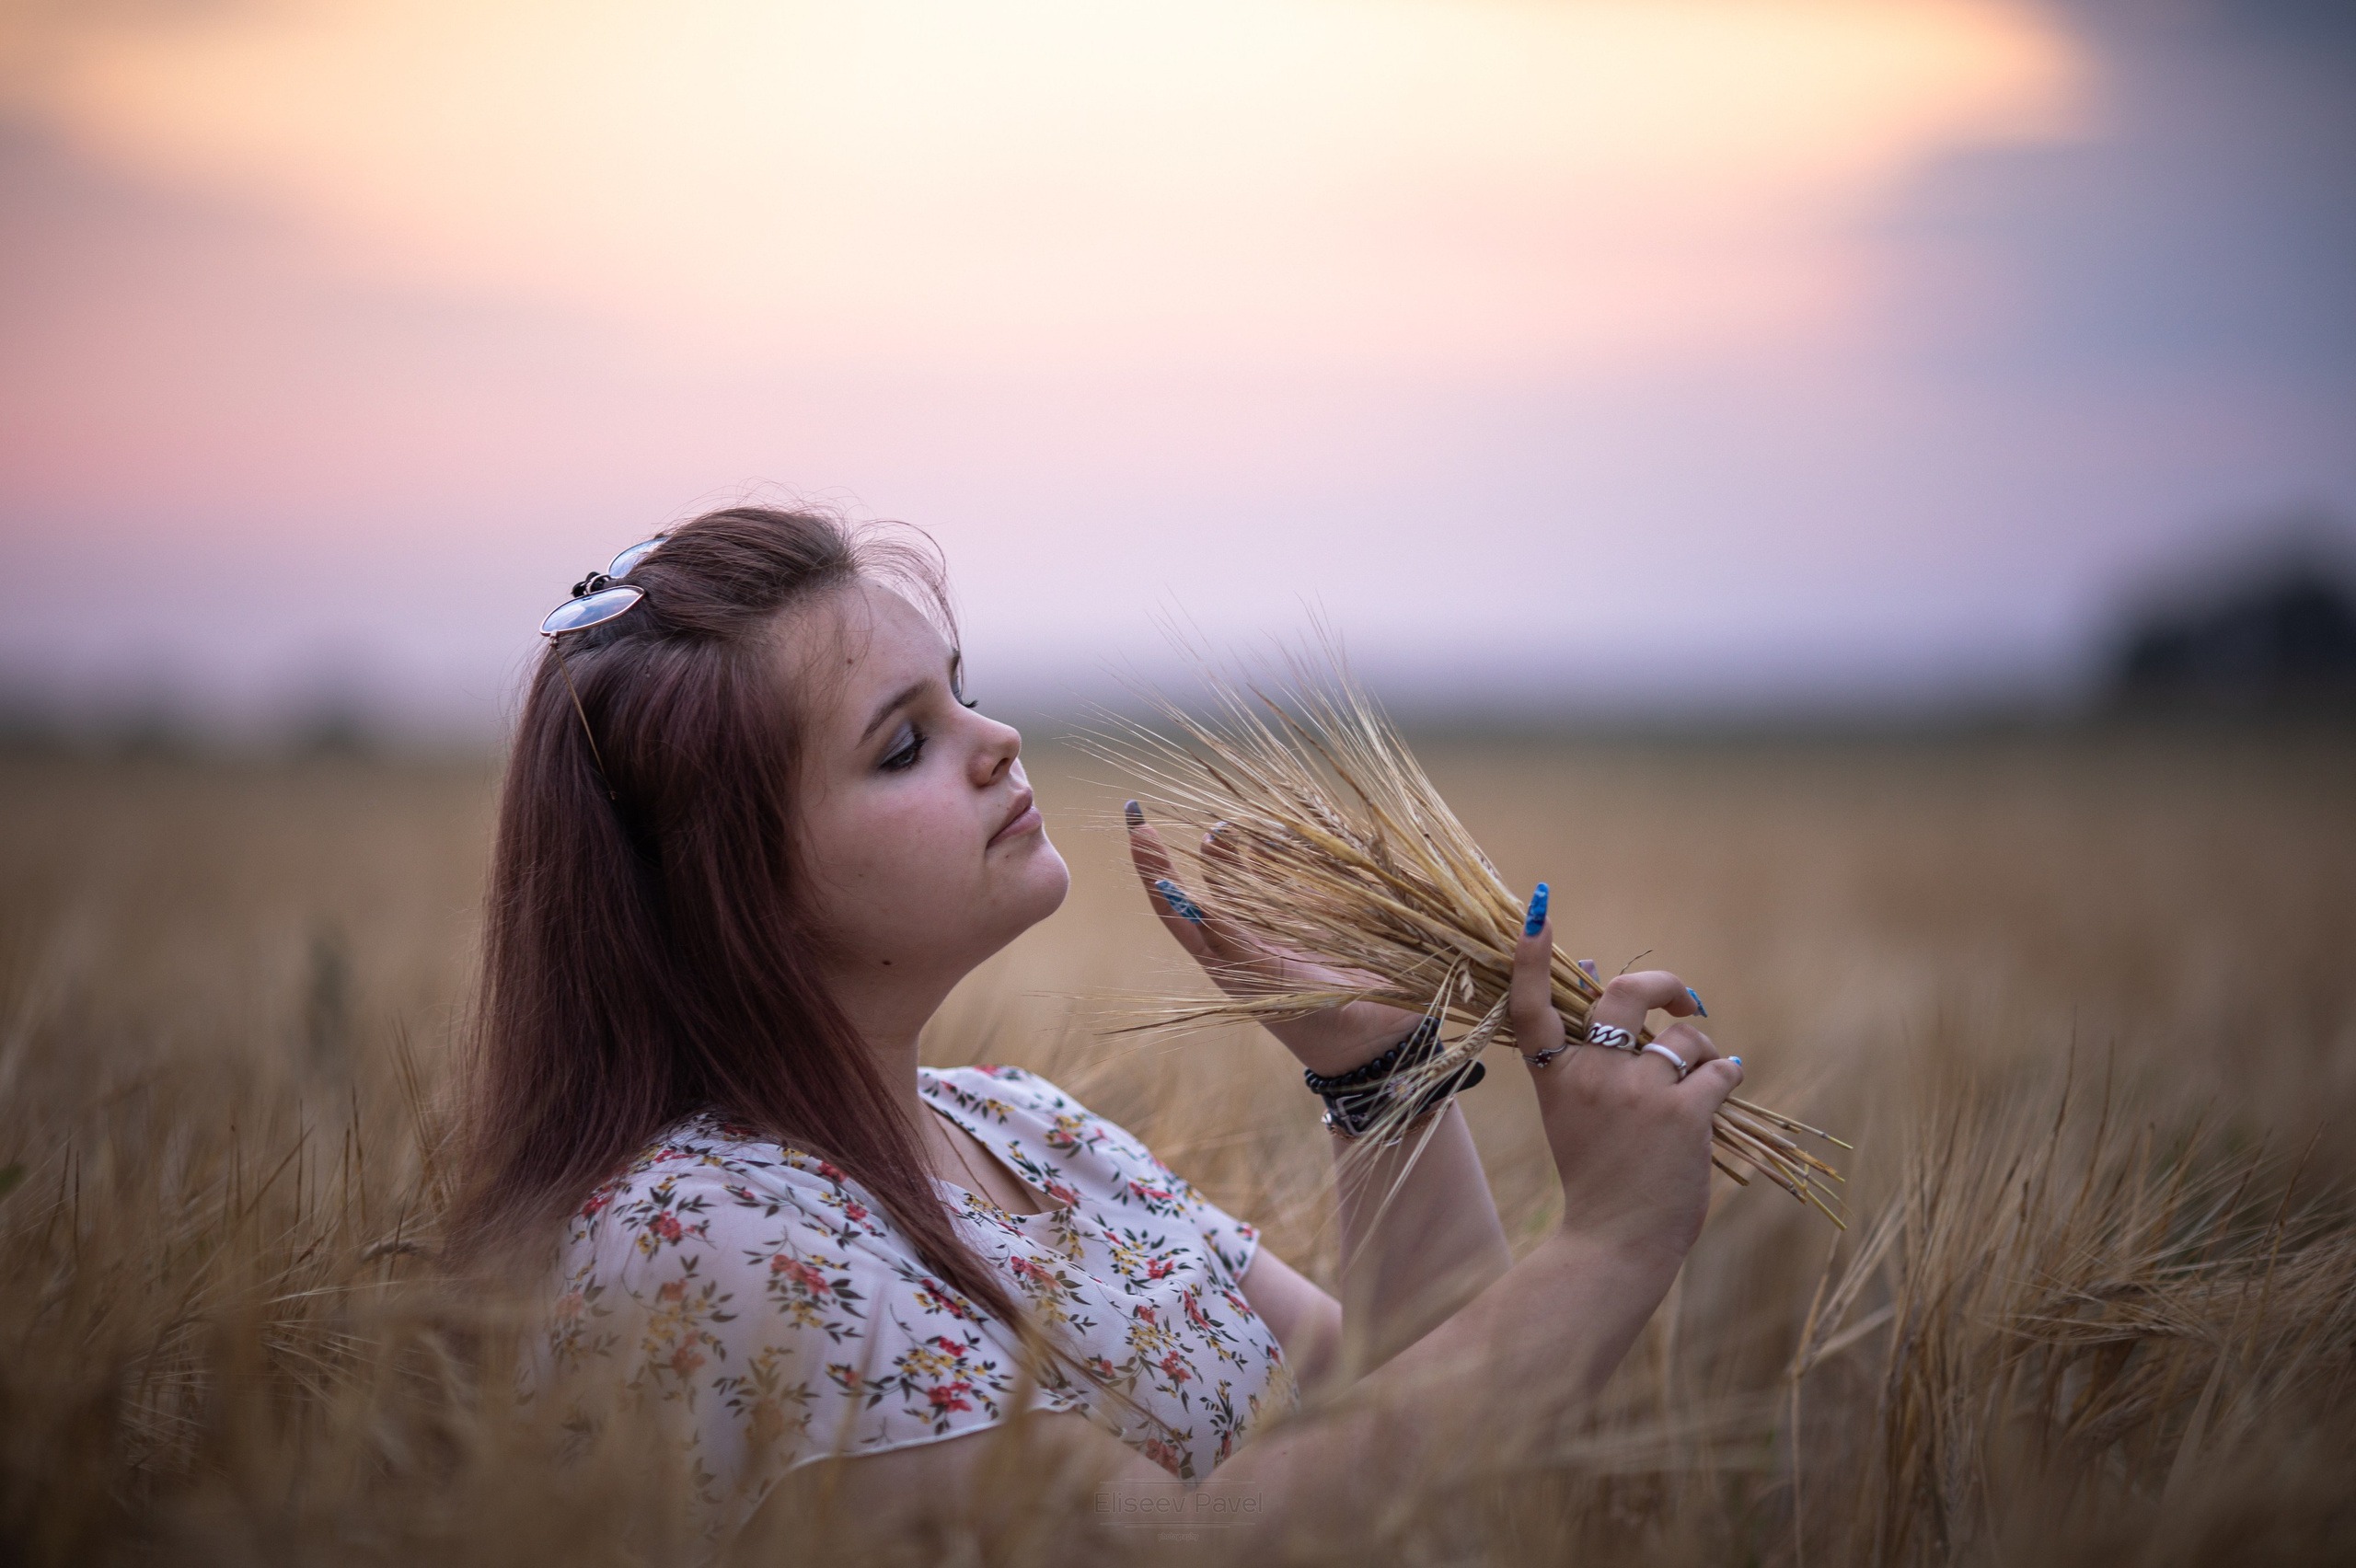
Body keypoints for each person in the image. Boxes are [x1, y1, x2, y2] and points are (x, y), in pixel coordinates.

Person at [448, 505, 1739, 1556]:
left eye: (960, 695)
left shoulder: (1023, 1127)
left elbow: (1422, 1458)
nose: (997, 740)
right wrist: (1613, 1244)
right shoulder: (702, 1232)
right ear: (734, 889)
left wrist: (1379, 1074)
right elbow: (1182, 1551)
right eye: (902, 746)